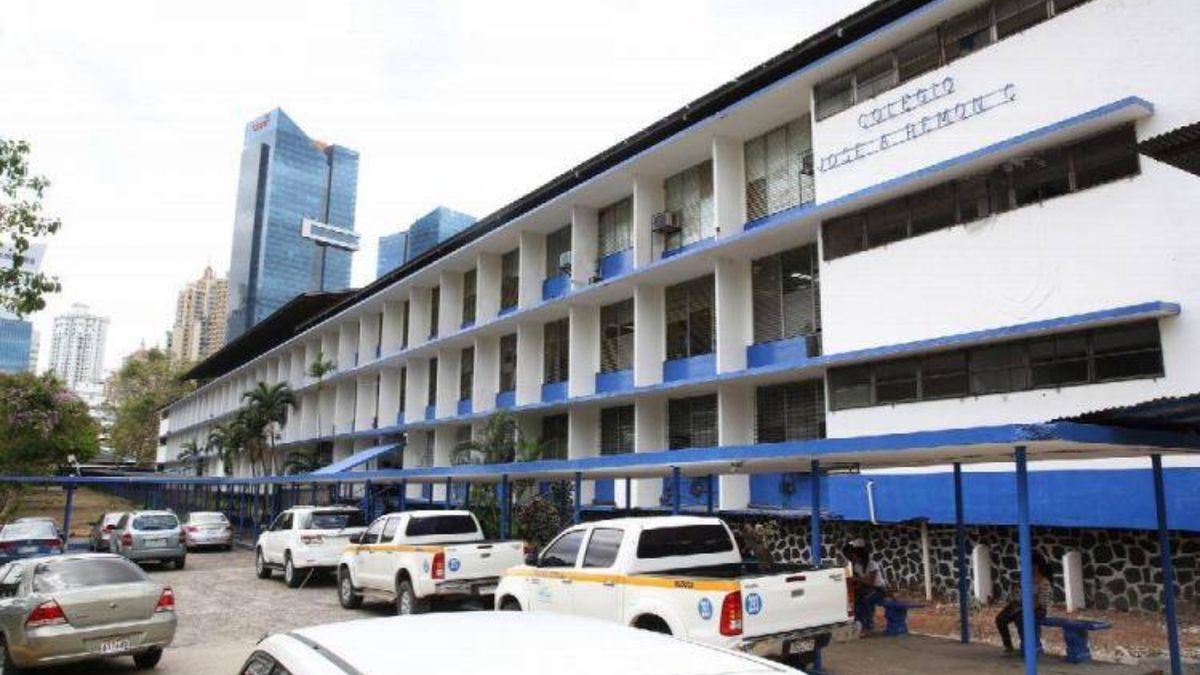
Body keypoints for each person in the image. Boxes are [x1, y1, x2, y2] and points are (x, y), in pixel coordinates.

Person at [995, 554, 1054, 654]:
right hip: (1021, 605)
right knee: (1000, 619)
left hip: (1037, 610)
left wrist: (1027, 605)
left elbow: (1044, 603)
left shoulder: (1044, 582)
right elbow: (1018, 595)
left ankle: (1027, 646)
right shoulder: (1025, 578)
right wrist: (1015, 601)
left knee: (1020, 618)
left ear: (1036, 566)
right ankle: (1008, 646)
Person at [845, 538, 889, 631]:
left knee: (866, 601)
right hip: (867, 589)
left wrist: (856, 579)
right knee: (855, 601)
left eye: (855, 556)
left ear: (860, 556)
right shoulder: (857, 566)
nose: (853, 558)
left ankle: (867, 625)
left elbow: (871, 582)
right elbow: (860, 582)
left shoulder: (872, 564)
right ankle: (859, 624)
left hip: (879, 589)